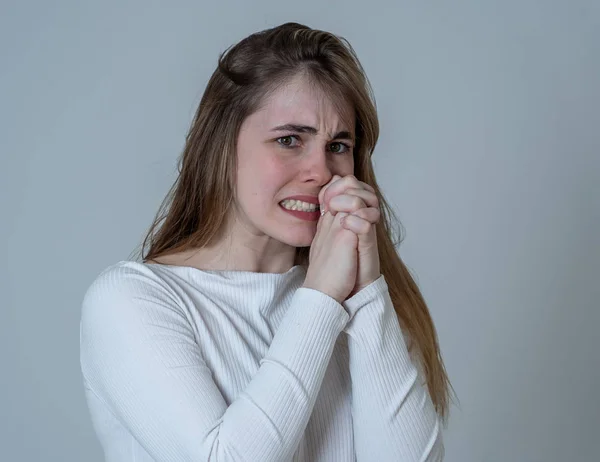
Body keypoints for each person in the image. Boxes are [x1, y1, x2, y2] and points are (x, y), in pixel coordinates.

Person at [80, 22, 455, 462]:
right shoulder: (131, 300)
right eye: (289, 140)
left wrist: (366, 290)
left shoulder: (356, 300)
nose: (321, 171)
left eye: (338, 145)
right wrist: (321, 296)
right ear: (220, 148)